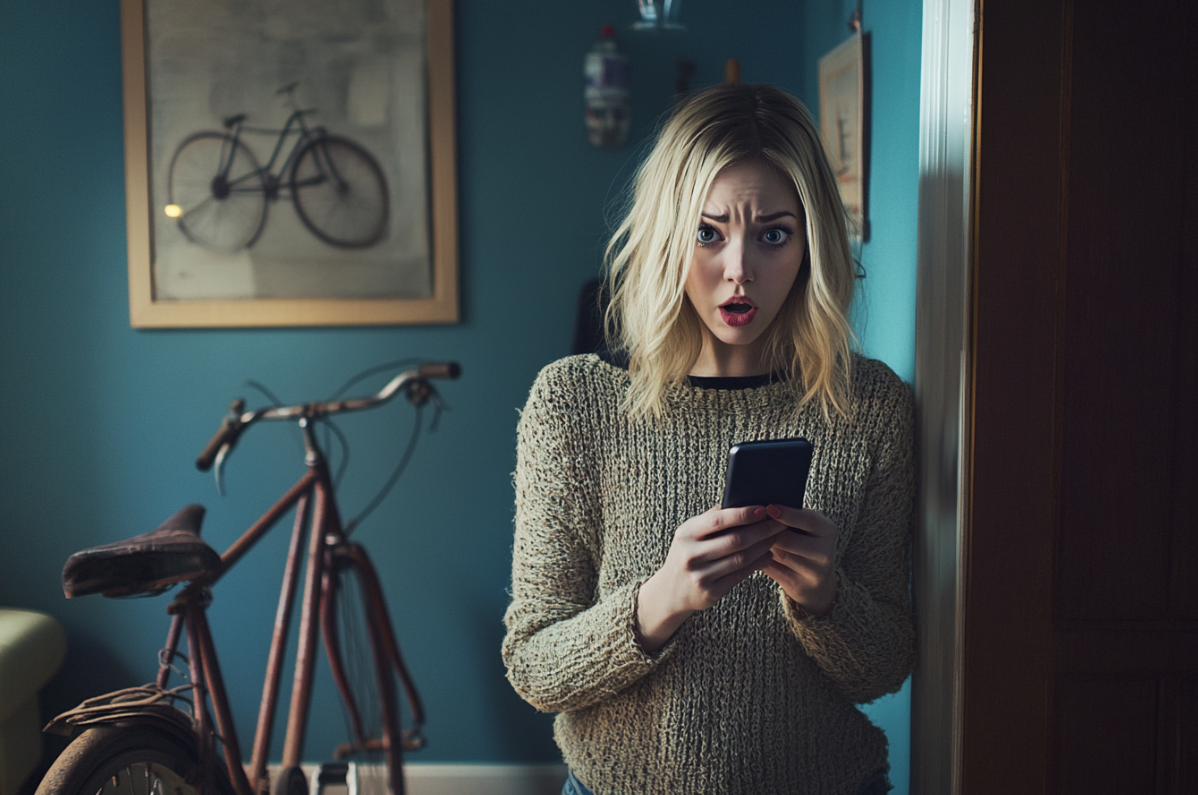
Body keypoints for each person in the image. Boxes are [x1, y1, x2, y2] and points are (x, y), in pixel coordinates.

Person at [502, 82, 914, 795]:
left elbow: (882, 667)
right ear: (667, 232)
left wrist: (824, 595)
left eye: (774, 234)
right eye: (708, 231)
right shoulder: (572, 403)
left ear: (810, 241)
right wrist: (660, 600)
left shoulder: (869, 405)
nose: (739, 269)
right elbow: (534, 665)